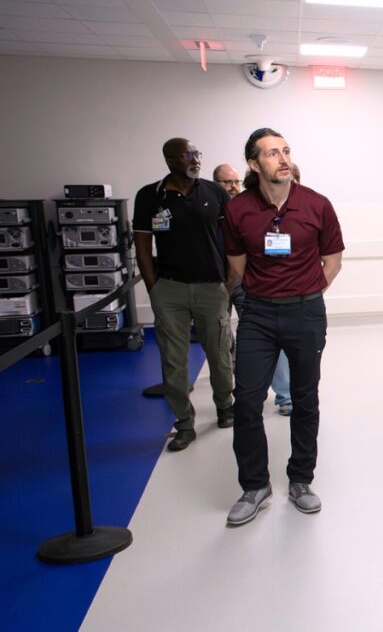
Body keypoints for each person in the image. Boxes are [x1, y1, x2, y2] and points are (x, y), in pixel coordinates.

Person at [221, 128, 344, 525]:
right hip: (257, 314)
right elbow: (236, 264)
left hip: (306, 312)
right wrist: (264, 293)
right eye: (272, 153)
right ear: (255, 165)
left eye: (286, 151)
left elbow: (333, 261)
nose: (283, 158)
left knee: (306, 398)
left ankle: (300, 480)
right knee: (246, 400)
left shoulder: (317, 205)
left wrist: (307, 292)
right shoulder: (238, 209)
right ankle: (254, 486)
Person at [132, 138, 234, 451]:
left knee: (219, 354)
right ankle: (184, 423)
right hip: (170, 289)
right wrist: (154, 287)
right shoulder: (150, 195)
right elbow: (142, 245)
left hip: (210, 287)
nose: (195, 159)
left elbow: (231, 237)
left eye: (197, 153)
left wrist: (229, 282)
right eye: (188, 155)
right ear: (170, 159)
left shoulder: (214, 192)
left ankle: (225, 406)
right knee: (173, 361)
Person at [215, 162, 292, 417]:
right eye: (227, 182)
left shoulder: (252, 209)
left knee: (268, 336)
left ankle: (284, 395)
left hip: (247, 282)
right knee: (221, 338)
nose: (233, 187)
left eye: (235, 182)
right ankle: (230, 395)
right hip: (215, 283)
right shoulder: (210, 210)